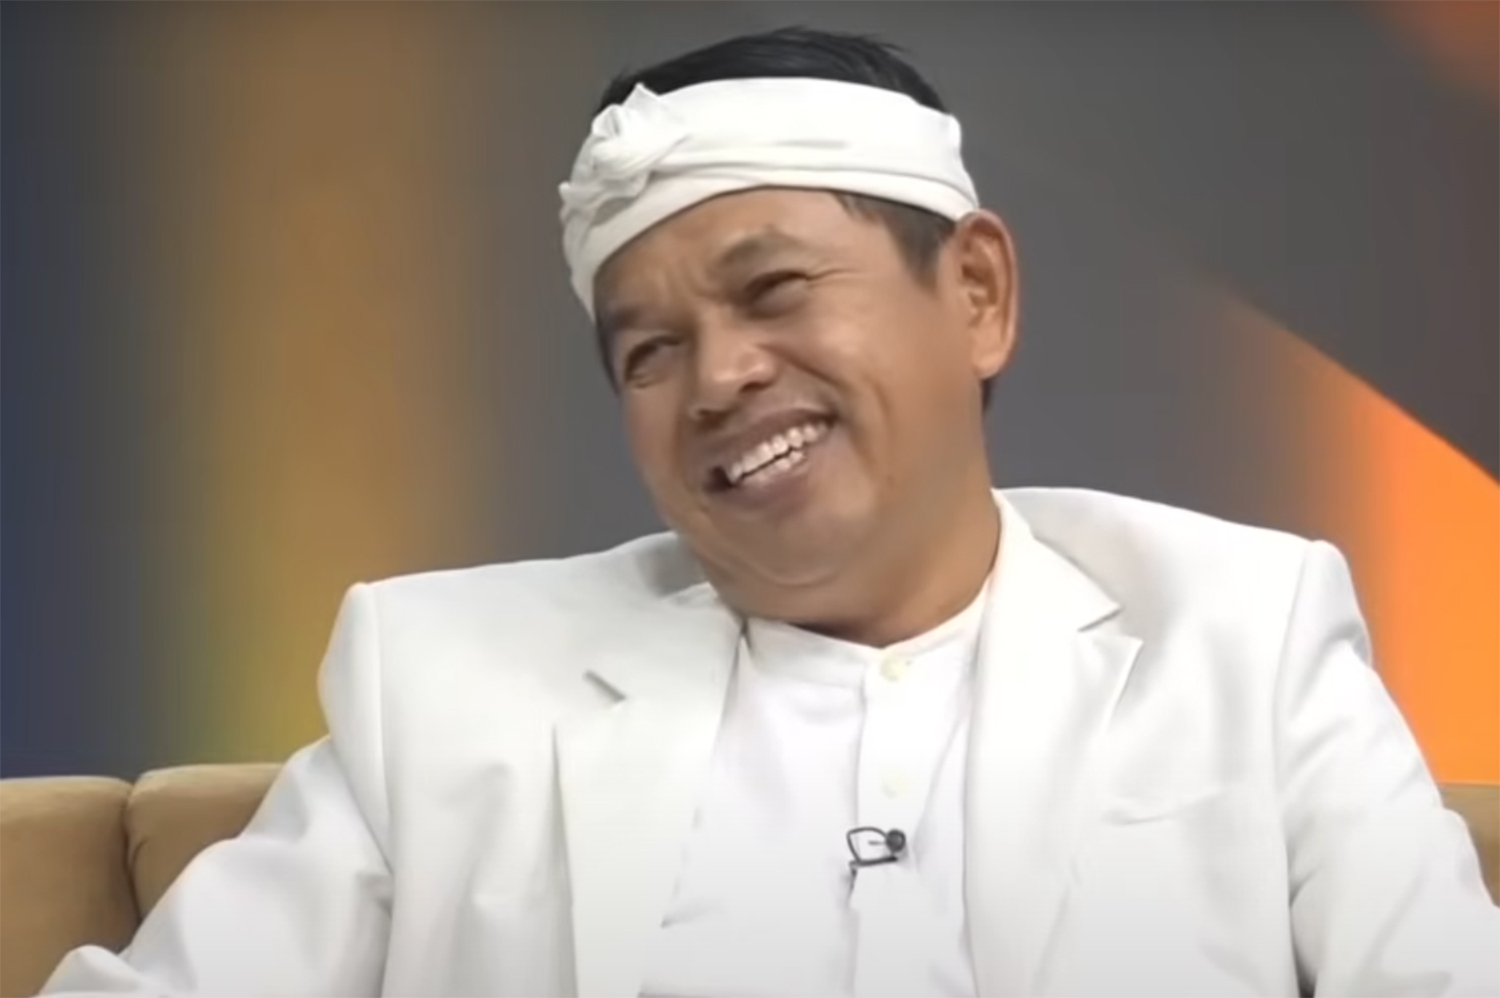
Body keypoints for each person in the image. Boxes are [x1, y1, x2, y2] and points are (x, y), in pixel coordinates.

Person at [41, 26, 1498, 998]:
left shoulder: (1242, 632)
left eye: (775, 289)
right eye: (648, 352)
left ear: (976, 293)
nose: (720, 377)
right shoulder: (445, 683)